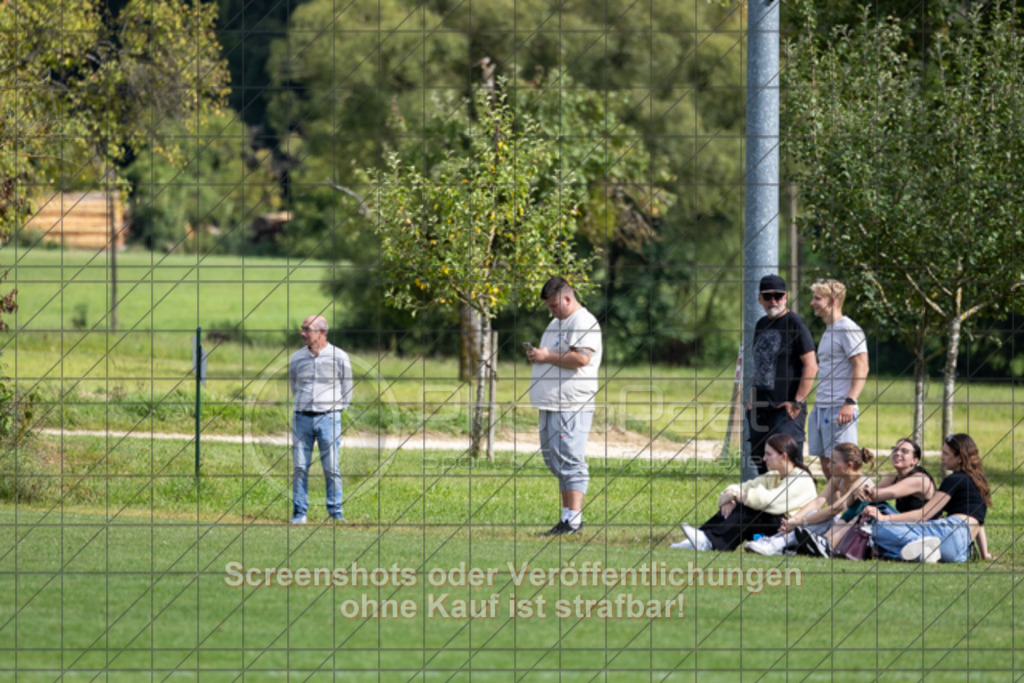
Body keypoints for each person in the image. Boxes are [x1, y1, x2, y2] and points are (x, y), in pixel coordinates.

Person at [527, 277, 602, 536]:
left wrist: (546, 356)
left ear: (567, 299)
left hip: (571, 403)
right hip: (552, 402)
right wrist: (539, 355)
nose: (551, 310)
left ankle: (574, 521)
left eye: (553, 305)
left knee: (570, 458)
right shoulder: (557, 321)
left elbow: (582, 357)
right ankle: (567, 518)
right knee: (555, 459)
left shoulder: (583, 321)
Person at [672, 433, 817, 551]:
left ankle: (710, 541)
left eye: (768, 454)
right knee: (739, 503)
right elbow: (742, 487)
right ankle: (703, 538)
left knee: (749, 507)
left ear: (783, 456)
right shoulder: (774, 475)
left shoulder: (801, 479)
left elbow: (770, 502)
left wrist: (736, 496)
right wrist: (731, 497)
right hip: (775, 524)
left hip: (786, 529)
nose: (764, 458)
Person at [865, 433, 992, 563]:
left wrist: (885, 518)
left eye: (946, 454)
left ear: (960, 458)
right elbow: (979, 522)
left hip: (949, 533)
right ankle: (924, 552)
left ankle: (919, 550)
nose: (942, 457)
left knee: (877, 531)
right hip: (962, 552)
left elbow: (923, 514)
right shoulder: (978, 482)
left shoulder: (954, 479)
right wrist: (985, 554)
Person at [745, 442, 873, 556]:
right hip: (842, 527)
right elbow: (818, 501)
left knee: (825, 519)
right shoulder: (838, 478)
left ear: (849, 465)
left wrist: (801, 522)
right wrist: (795, 520)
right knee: (812, 514)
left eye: (833, 462)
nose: (828, 466)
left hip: (859, 532)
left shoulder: (862, 482)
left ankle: (775, 545)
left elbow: (836, 508)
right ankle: (776, 541)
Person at [748, 274, 817, 474]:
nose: (773, 301)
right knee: (762, 460)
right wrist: (752, 399)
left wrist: (798, 400)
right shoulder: (760, 324)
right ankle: (766, 504)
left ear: (786, 297)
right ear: (759, 299)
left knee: (788, 463)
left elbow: (811, 365)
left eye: (778, 296)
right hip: (760, 408)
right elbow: (760, 364)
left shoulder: (795, 323)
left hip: (785, 409)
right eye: (768, 296)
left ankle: (798, 504)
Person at [288, 315, 353, 524]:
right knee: (299, 467)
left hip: (329, 418)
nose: (302, 333)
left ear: (321, 332)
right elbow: (293, 384)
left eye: (307, 329)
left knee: (331, 468)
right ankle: (300, 513)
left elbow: (347, 387)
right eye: (302, 328)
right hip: (302, 418)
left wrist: (336, 410)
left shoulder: (339, 356)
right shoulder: (296, 357)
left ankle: (335, 513)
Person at [807, 278, 868, 479]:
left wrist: (849, 402)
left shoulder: (848, 328)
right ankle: (835, 511)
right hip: (821, 407)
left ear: (832, 301)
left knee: (845, 470)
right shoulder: (829, 331)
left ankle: (855, 510)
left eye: (817, 298)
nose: (812, 303)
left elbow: (862, 366)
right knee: (828, 469)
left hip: (840, 408)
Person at [855, 438, 934, 513]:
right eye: (895, 449)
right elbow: (872, 490)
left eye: (904, 451)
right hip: (905, 523)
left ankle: (844, 523)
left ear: (914, 460)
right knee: (864, 503)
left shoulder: (919, 479)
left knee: (876, 505)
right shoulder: (896, 478)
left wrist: (866, 492)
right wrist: (862, 491)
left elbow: (875, 495)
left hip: (927, 525)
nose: (897, 453)